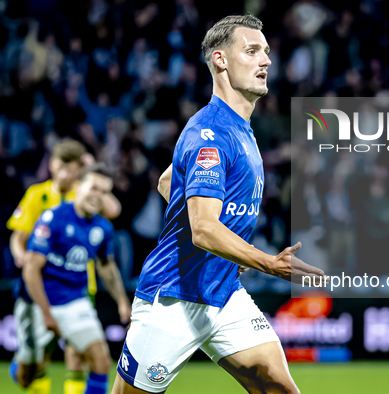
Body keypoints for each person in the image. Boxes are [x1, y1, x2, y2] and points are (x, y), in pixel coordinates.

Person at [112, 14, 324, 394]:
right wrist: (266, 262)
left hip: (224, 294)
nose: (266, 61)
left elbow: (168, 182)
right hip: (175, 296)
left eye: (267, 52)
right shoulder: (209, 133)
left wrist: (226, 253)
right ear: (220, 59)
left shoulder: (240, 129)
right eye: (252, 50)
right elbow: (205, 228)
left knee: (279, 388)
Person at [7, 139, 121, 394]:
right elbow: (18, 234)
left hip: (79, 286)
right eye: (62, 167)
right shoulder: (38, 194)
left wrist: (93, 172)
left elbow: (113, 210)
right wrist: (20, 254)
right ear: (53, 166)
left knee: (82, 352)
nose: (66, 173)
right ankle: (22, 366)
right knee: (38, 362)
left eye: (73, 168)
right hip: (41, 285)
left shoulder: (85, 191)